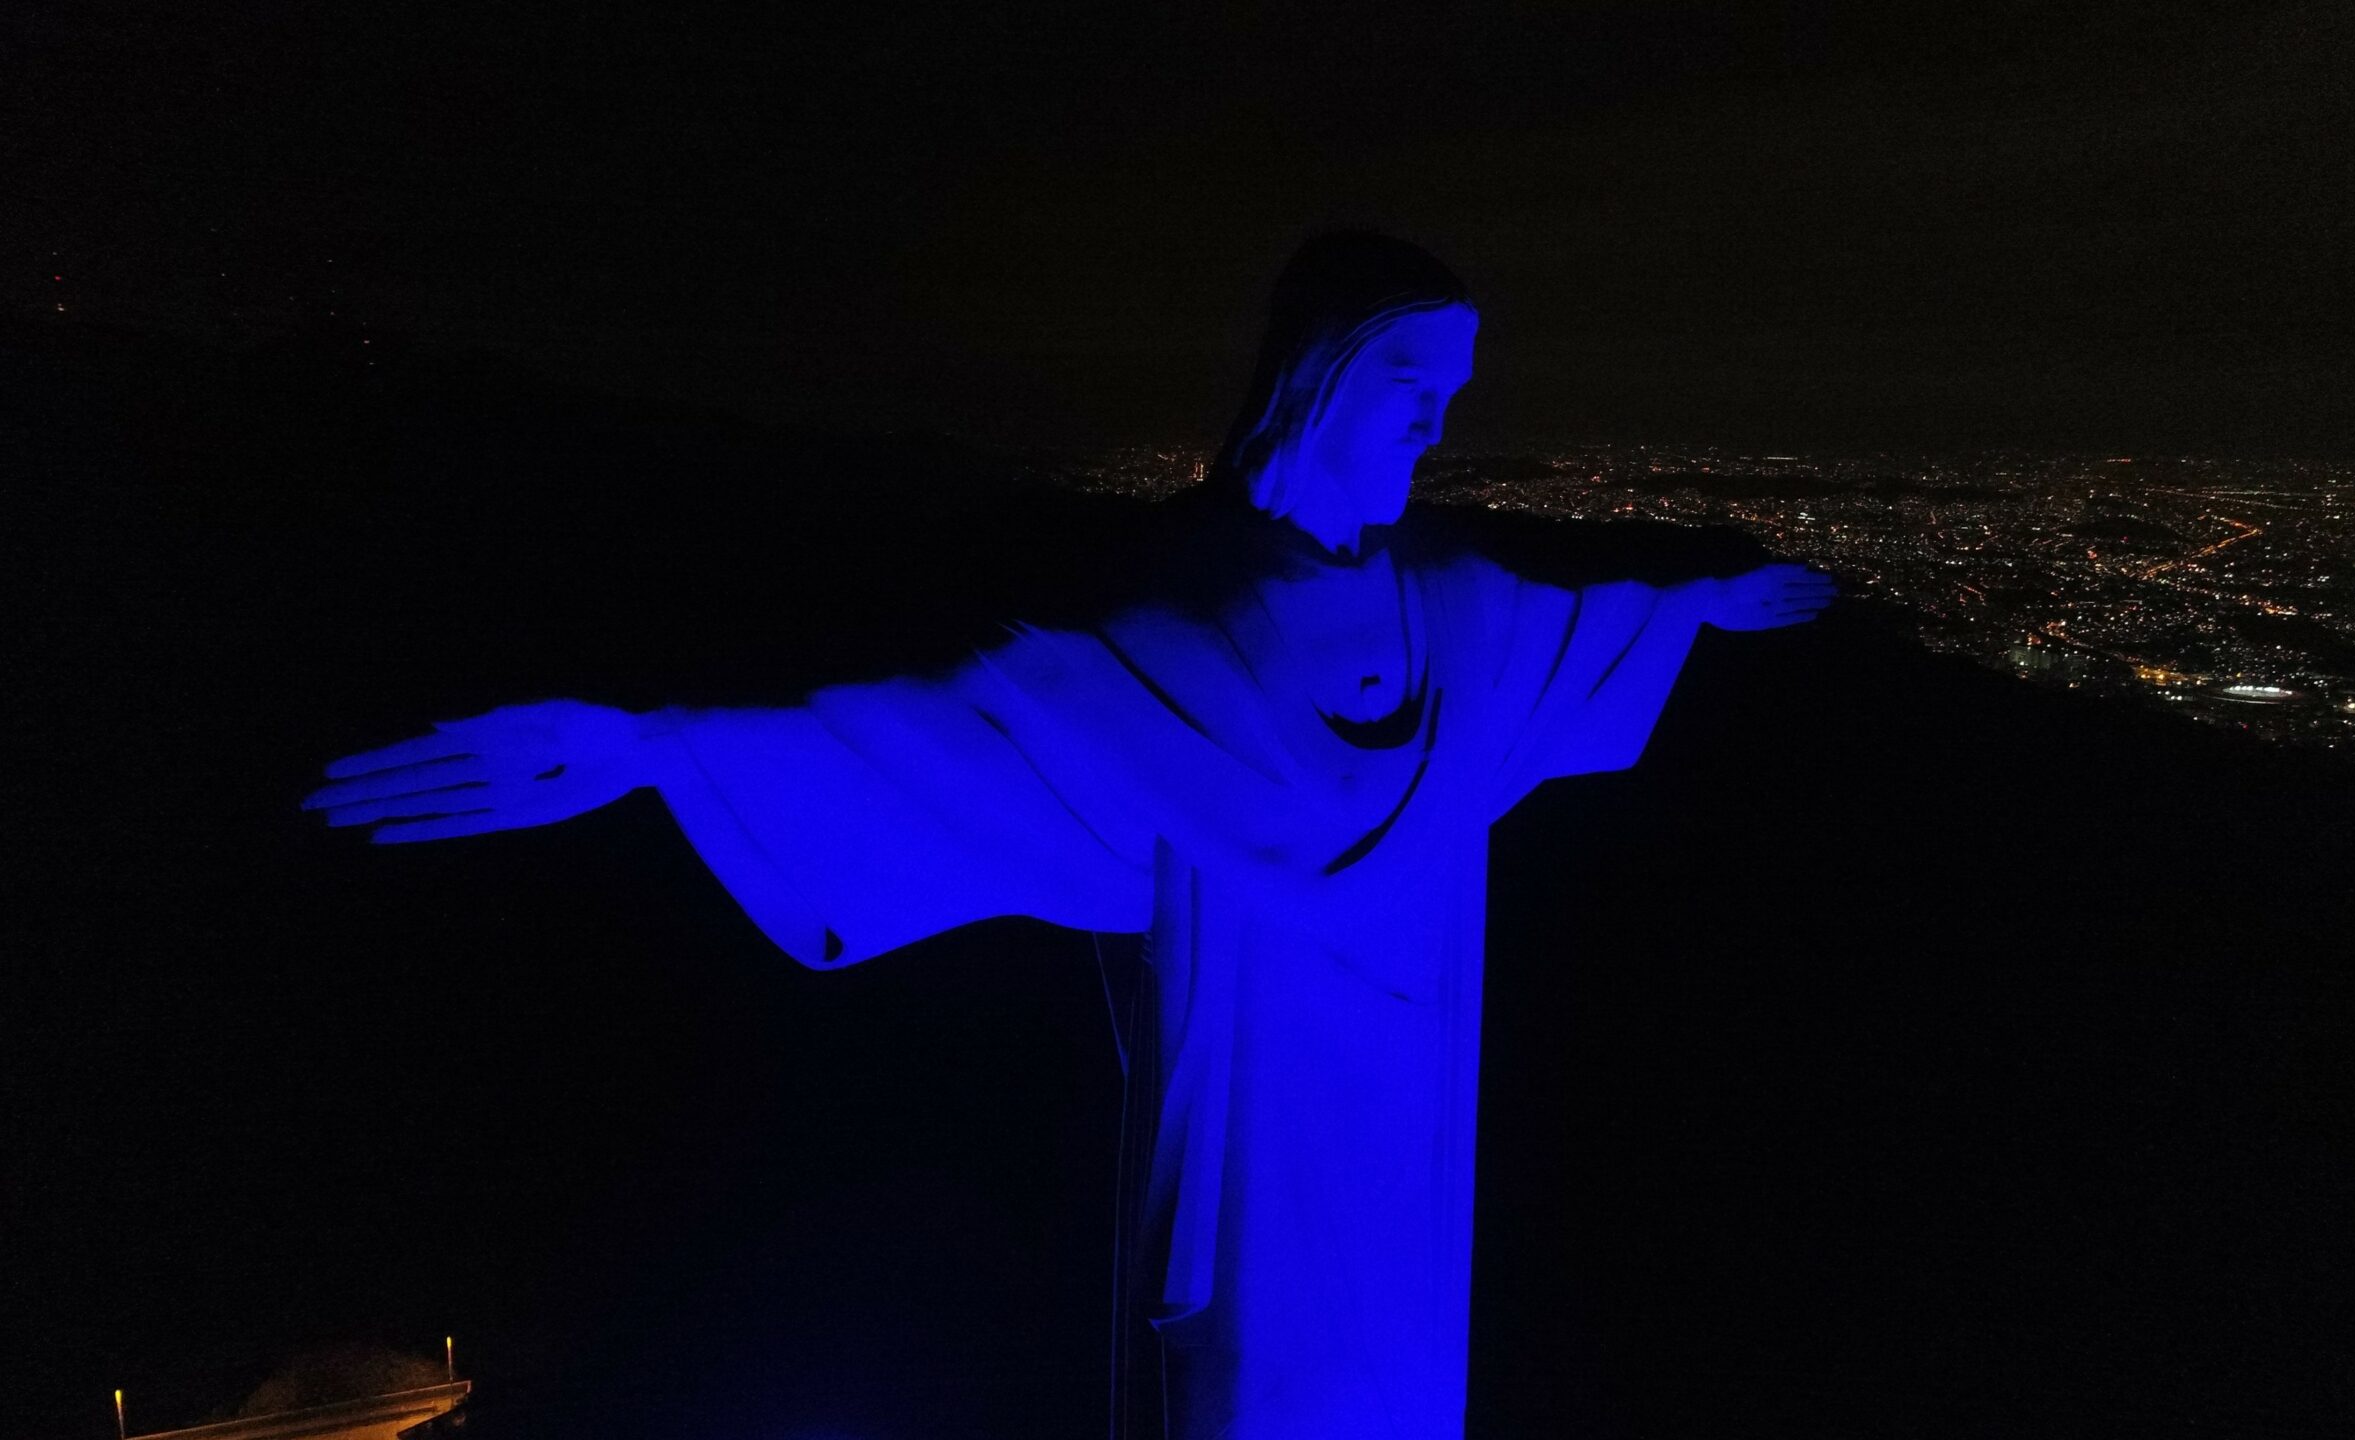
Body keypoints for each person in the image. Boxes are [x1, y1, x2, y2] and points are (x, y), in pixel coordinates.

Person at [302, 230, 1837, 1439]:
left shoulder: (1451, 603)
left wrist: (1706, 603)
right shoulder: (1180, 614)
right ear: (1323, 376)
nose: (1434, 428)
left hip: (1409, 1102)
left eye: (1450, 402)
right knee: (1250, 1383)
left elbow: (1579, 628)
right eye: (1410, 391)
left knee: (1398, 1369)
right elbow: (953, 714)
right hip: (1251, 1104)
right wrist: (651, 747)